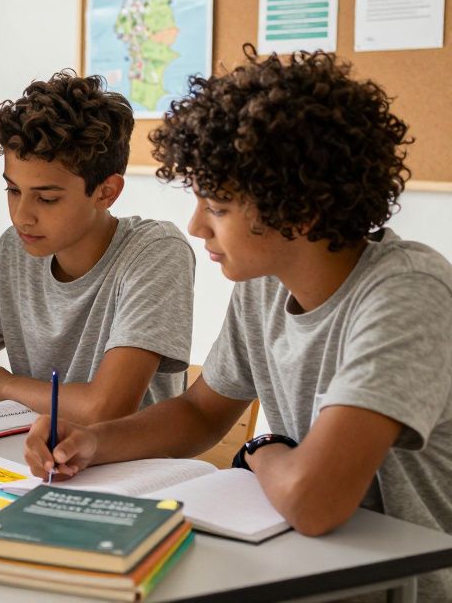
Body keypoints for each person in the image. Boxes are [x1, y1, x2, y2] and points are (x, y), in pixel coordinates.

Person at [24, 50, 452, 600]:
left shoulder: (407, 294)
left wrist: (262, 447)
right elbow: (201, 412)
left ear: (299, 211)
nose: (195, 225)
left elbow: (314, 502)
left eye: (219, 207)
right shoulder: (266, 283)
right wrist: (92, 441)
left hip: (400, 586)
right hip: (306, 563)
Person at [0, 72, 194, 437]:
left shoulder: (156, 252)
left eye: (46, 198)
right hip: (36, 456)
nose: (22, 216)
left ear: (106, 192)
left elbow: (106, 409)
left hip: (130, 464)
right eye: (13, 190)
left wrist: (5, 386)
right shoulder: (14, 250)